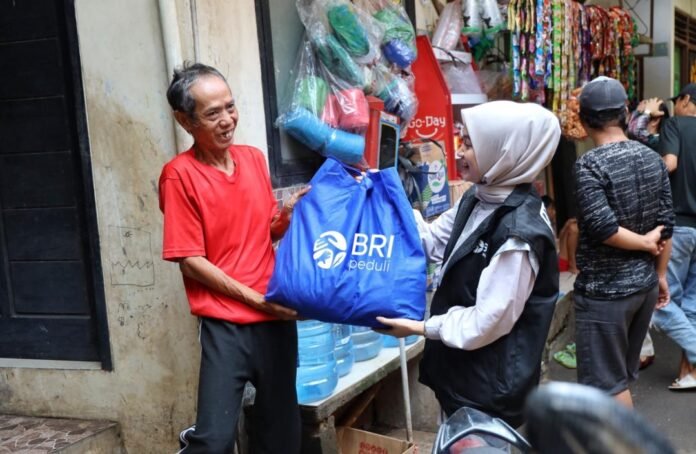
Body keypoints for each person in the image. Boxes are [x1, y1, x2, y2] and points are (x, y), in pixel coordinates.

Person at [377, 101, 561, 427]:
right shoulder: (478, 197)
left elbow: (487, 321)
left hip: (488, 390)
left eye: (470, 145)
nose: (460, 152)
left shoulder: (519, 235)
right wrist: (386, 192)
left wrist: (419, 328)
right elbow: (431, 240)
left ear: (503, 151)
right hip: (461, 374)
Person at [158, 63, 308, 453]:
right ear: (185, 121)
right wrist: (257, 300)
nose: (227, 120)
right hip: (227, 325)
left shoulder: (254, 159)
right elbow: (190, 260)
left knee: (281, 436)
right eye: (213, 113)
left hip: (275, 320)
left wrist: (285, 216)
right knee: (213, 440)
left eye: (230, 107)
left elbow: (262, 232)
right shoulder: (179, 175)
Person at [573, 76, 674, 408]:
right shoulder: (652, 158)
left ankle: (623, 438)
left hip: (606, 293)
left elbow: (604, 228)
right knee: (620, 379)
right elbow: (667, 225)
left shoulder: (589, 164)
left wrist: (645, 244)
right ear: (626, 114)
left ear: (584, 121)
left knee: (607, 386)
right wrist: (660, 274)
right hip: (644, 287)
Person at [654, 83, 696, 390]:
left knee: (659, 302)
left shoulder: (675, 125)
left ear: (686, 100)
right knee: (692, 305)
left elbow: (669, 163)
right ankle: (689, 374)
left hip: (679, 227)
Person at [542, 195, 579, 274]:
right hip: (556, 265)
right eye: (551, 209)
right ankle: (572, 265)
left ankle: (573, 264)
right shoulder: (542, 226)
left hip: (557, 261)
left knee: (571, 227)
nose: (554, 212)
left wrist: (566, 225)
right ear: (544, 209)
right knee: (573, 228)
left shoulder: (547, 224)